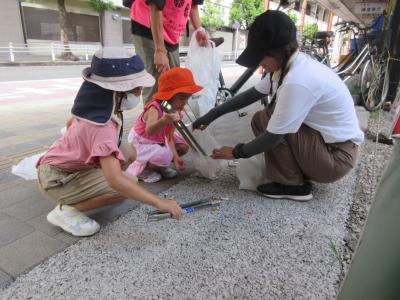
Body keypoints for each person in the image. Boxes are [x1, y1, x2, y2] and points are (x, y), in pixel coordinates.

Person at [193, 11, 364, 201]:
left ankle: (293, 186)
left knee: (269, 118)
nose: (260, 66)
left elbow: (273, 137)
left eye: (261, 59)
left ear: (278, 52)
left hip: (336, 159)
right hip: (328, 150)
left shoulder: (297, 80)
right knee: (262, 117)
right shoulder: (288, 66)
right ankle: (294, 175)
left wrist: (235, 152)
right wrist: (212, 114)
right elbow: (251, 95)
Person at [36, 47, 182, 237]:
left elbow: (70, 123)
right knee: (125, 184)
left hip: (59, 165)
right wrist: (159, 202)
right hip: (57, 180)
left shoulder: (95, 103)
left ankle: (94, 178)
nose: (139, 93)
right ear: (119, 91)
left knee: (131, 154)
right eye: (137, 88)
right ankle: (65, 211)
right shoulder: (102, 126)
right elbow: (116, 181)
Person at [126, 67, 202, 183]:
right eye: (181, 98)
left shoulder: (176, 111)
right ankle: (143, 171)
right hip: (141, 141)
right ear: (168, 96)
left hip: (159, 140)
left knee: (182, 147)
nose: (184, 103)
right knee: (165, 156)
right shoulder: (155, 107)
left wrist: (176, 158)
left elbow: (169, 136)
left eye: (188, 98)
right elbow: (149, 131)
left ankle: (160, 167)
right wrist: (163, 120)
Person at [130, 0, 209, 103]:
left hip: (172, 31)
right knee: (157, 86)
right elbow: (155, 5)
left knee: (175, 83)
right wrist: (159, 50)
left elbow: (193, 4)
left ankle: (170, 117)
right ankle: (153, 117)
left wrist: (199, 30)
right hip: (149, 23)